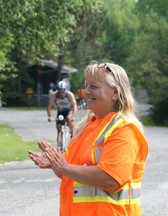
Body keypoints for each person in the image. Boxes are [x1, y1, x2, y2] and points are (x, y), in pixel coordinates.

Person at [28, 62, 149, 215]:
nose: (86, 92)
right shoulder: (86, 125)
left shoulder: (124, 129)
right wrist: (55, 164)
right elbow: (69, 171)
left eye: (94, 87)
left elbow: (110, 179)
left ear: (115, 93)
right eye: (86, 86)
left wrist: (63, 167)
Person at [47, 80, 78, 145]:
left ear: (65, 90)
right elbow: (49, 106)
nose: (61, 94)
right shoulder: (54, 95)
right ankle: (59, 145)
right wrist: (50, 116)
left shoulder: (70, 95)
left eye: (63, 92)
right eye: (60, 92)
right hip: (60, 111)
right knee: (58, 128)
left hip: (68, 111)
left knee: (69, 120)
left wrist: (73, 117)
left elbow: (75, 106)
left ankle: (73, 136)